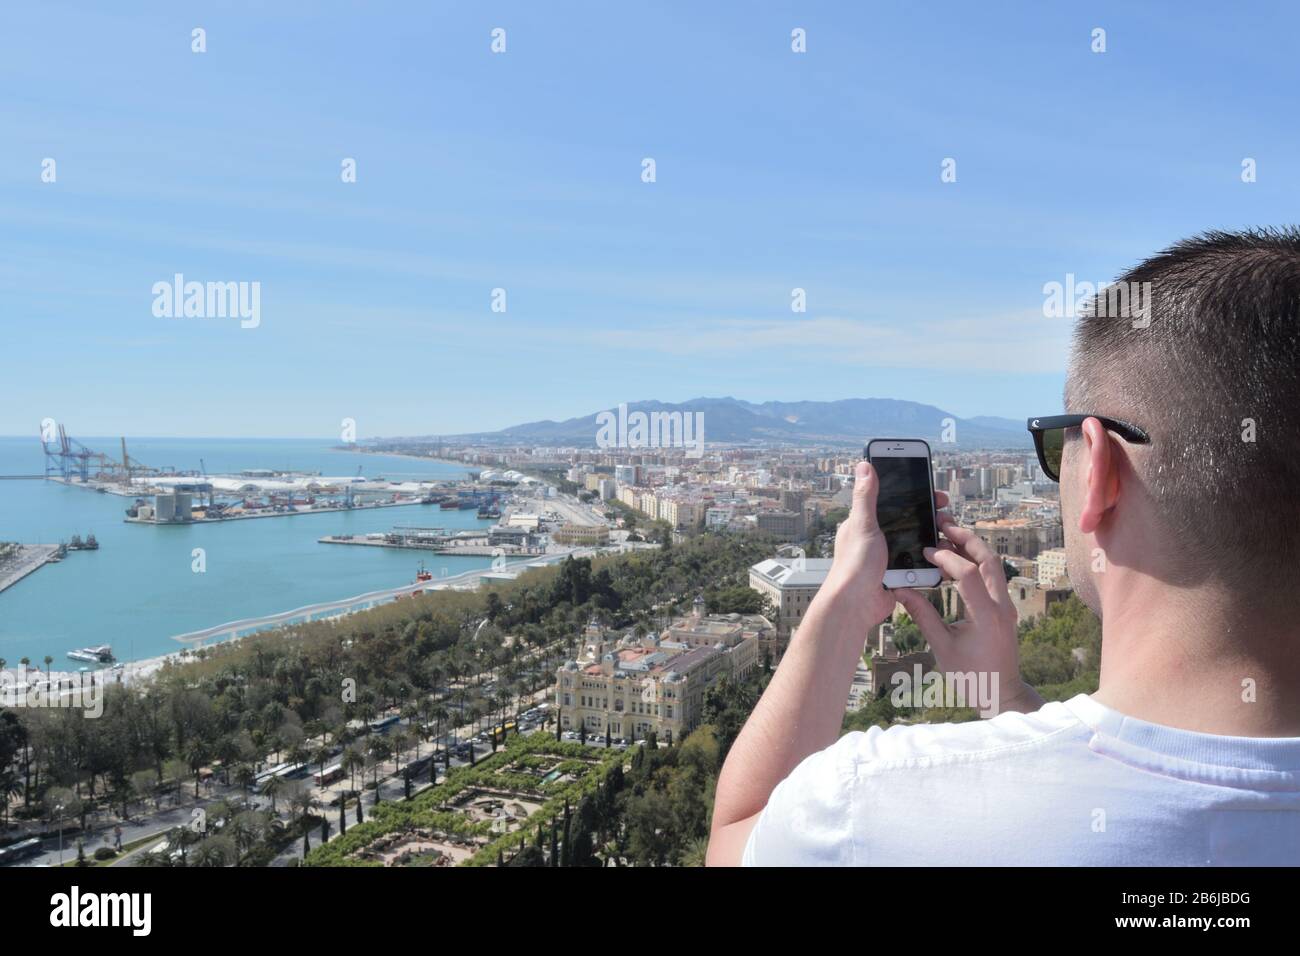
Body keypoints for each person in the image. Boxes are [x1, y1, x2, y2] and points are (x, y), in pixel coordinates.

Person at [708, 229, 1300, 866]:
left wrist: (840, 610)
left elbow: (738, 834)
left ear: (1099, 470)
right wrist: (1006, 698)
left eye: (1056, 445)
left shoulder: (870, 808)